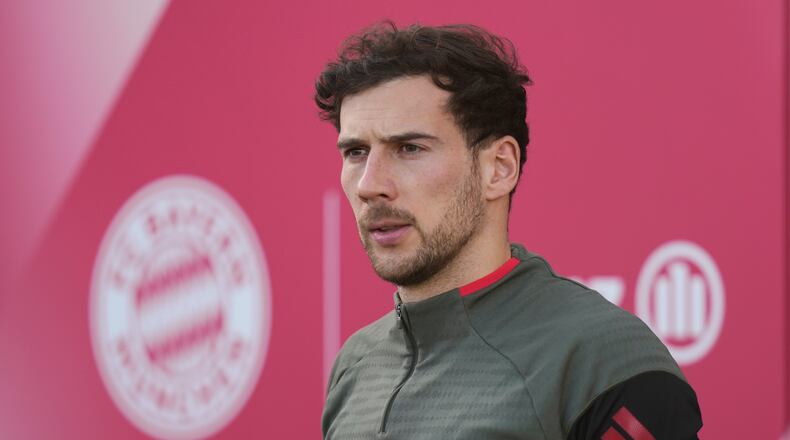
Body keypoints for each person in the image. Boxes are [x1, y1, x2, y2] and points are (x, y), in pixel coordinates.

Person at [314, 21, 702, 440]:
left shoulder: (602, 361)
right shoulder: (356, 366)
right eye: (356, 152)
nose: (370, 184)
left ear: (499, 168)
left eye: (410, 148)